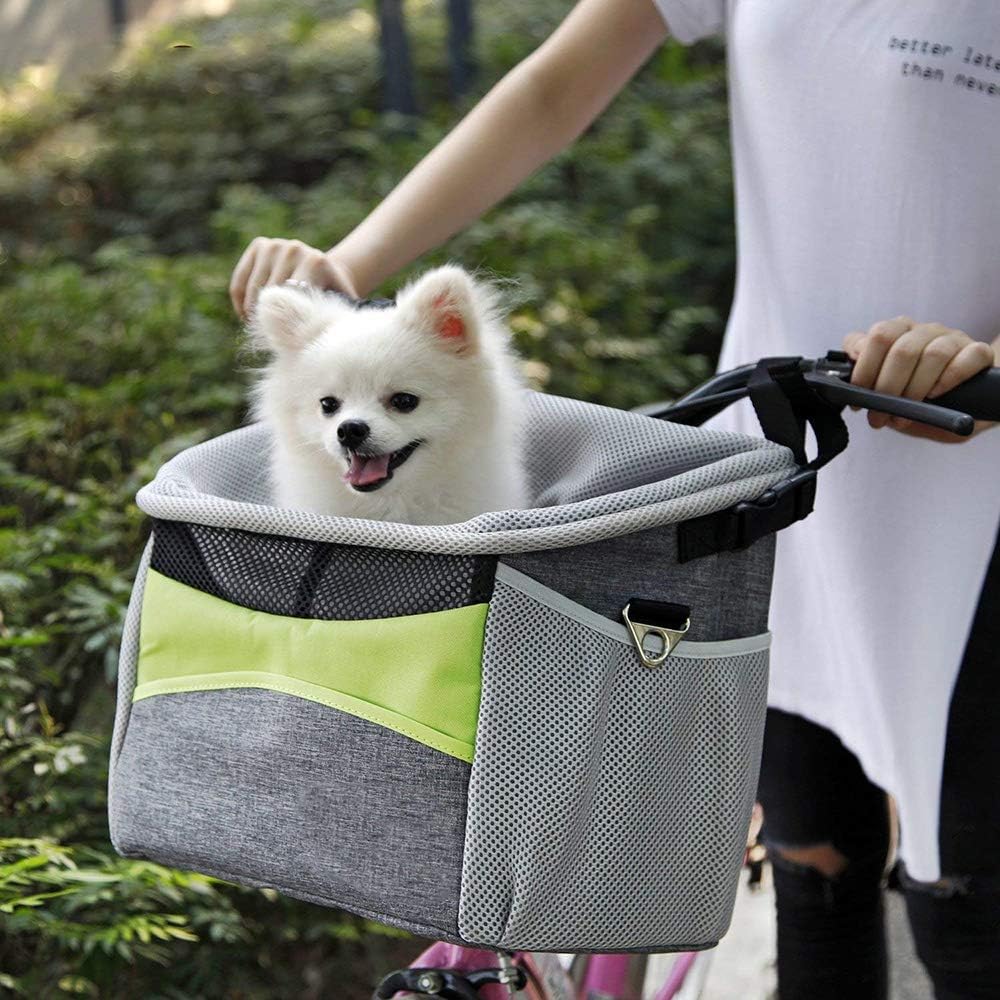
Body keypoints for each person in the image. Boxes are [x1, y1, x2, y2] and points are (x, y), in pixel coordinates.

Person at [228, 2, 1000, 996]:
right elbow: (553, 89)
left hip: (972, 495)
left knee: (969, 916)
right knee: (813, 871)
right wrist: (347, 269)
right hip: (774, 472)